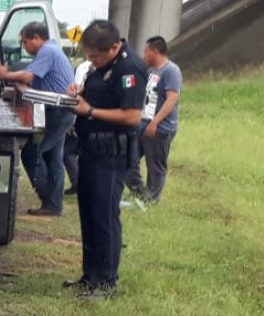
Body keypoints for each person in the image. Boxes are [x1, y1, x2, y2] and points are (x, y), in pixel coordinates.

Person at [66, 20, 147, 300]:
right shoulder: (101, 68)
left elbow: (132, 116)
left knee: (104, 218)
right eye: (89, 56)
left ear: (114, 47)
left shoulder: (130, 68)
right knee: (88, 214)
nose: (92, 61)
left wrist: (90, 112)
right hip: (90, 149)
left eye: (96, 56)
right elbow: (97, 98)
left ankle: (107, 282)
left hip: (111, 154)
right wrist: (80, 96)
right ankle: (91, 276)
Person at [0, 22, 76, 216]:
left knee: (32, 153)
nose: (24, 46)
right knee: (52, 156)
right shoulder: (52, 51)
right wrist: (15, 78)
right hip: (62, 111)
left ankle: (48, 199)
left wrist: (6, 74)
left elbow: (29, 76)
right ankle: (53, 205)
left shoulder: (47, 51)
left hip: (57, 111)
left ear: (37, 38)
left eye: (25, 42)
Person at [124, 36, 182, 204]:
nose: (144, 55)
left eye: (146, 51)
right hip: (142, 124)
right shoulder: (150, 71)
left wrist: (155, 122)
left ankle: (152, 198)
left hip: (160, 127)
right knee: (129, 158)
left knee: (155, 164)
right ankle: (138, 191)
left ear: (155, 51)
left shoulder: (171, 71)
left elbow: (172, 99)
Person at [63, 60, 93, 196]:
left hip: (85, 118)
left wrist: (72, 121)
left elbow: (77, 96)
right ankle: (79, 184)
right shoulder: (85, 67)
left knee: (69, 151)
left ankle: (79, 184)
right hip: (83, 118)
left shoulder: (85, 68)